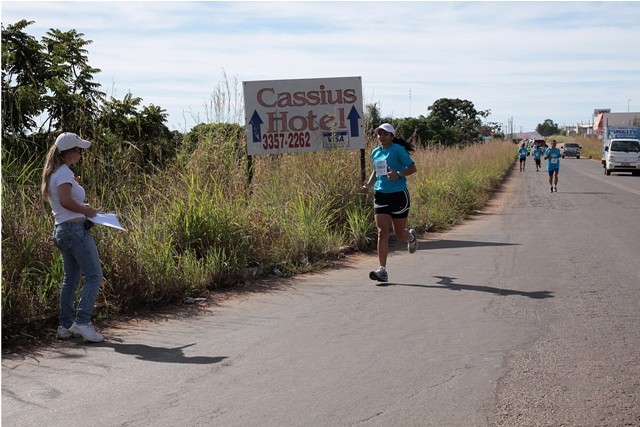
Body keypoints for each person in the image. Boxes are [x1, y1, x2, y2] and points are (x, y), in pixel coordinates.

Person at [41, 132, 105, 342]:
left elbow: (65, 202)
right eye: (78, 150)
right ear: (68, 152)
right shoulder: (64, 173)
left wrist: (83, 209)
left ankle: (65, 325)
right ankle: (82, 322)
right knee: (94, 275)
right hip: (74, 231)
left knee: (71, 279)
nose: (80, 153)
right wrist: (87, 210)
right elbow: (66, 201)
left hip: (62, 230)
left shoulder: (56, 173)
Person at [361, 123, 418, 283]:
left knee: (399, 234)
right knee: (382, 232)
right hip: (381, 195)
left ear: (392, 136)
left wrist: (398, 174)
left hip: (398, 195)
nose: (382, 137)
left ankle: (410, 237)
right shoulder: (375, 152)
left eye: (385, 134)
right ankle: (382, 270)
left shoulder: (397, 150)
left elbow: (412, 168)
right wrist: (368, 185)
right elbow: (376, 171)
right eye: (380, 134)